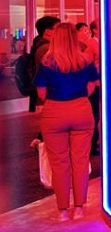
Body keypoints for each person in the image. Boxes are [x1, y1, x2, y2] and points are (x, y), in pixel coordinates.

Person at [33, 22, 99, 221]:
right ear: (74, 38)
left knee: (59, 163)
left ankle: (62, 210)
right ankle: (79, 208)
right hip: (81, 110)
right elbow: (92, 87)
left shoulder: (46, 62)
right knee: (80, 161)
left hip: (54, 112)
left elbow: (41, 93)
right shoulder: (85, 60)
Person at [76, 22, 101, 155]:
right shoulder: (91, 44)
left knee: (97, 114)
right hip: (95, 83)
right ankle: (92, 143)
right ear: (95, 30)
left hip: (97, 83)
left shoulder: (99, 42)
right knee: (94, 114)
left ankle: (94, 142)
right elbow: (87, 64)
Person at [28, 16, 60, 112]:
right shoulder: (47, 49)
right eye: (58, 28)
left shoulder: (42, 45)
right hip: (49, 98)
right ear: (48, 31)